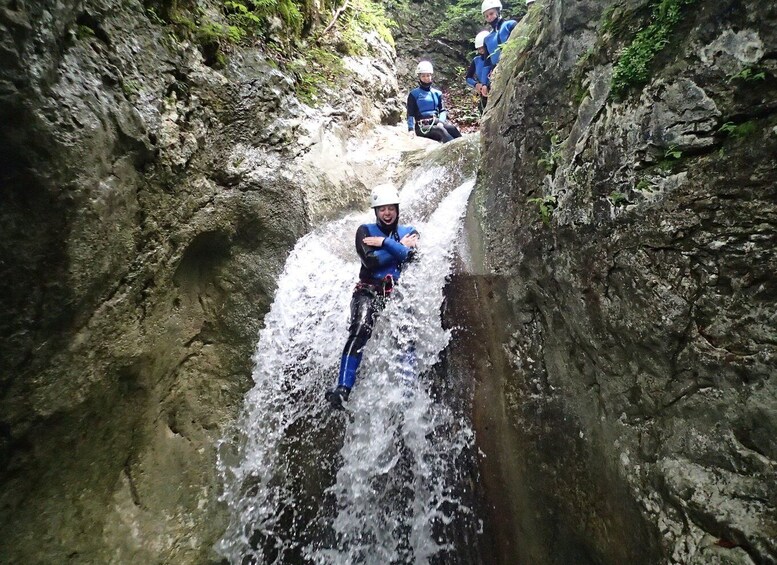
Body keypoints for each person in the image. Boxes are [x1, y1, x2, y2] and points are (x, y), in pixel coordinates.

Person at [325, 183, 420, 409]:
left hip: (397, 293)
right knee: (359, 330)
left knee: (407, 338)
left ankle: (409, 392)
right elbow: (371, 261)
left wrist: (386, 243)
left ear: (397, 209)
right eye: (382, 209)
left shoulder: (411, 231)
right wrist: (398, 248)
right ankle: (343, 389)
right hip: (368, 290)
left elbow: (412, 258)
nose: (387, 213)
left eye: (391, 209)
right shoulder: (364, 231)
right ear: (375, 212)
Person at [406, 61, 462, 144]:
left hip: (436, 121)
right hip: (421, 126)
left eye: (428, 75)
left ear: (431, 76)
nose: (426, 78)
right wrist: (410, 129)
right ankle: (453, 149)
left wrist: (441, 122)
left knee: (452, 128)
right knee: (440, 130)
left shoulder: (437, 93)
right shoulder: (414, 94)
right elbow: (410, 113)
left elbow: (442, 110)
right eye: (423, 76)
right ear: (419, 77)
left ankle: (463, 146)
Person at [481, 0, 517, 67]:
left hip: (514, 64)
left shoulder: (510, 25)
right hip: (497, 73)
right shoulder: (487, 39)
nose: (489, 18)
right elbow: (487, 64)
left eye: (491, 14)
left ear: (498, 11)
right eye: (486, 16)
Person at [465, 30, 493, 115]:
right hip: (483, 92)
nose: (481, 50)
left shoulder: (494, 58)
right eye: (479, 48)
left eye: (483, 47)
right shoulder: (476, 60)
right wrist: (476, 84)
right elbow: (468, 77)